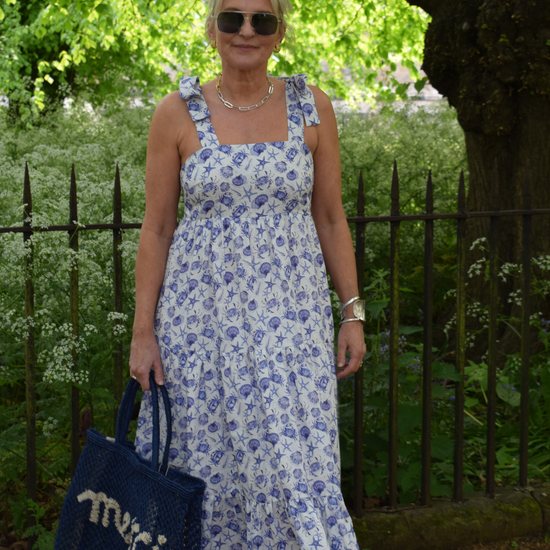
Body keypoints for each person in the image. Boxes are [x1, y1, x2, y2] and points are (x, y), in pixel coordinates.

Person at [129, 0, 366, 547]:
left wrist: (352, 313)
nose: (246, 30)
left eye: (262, 20)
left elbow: (330, 217)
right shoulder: (176, 112)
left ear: (280, 33)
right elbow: (158, 228)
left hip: (293, 325)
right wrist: (144, 332)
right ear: (212, 29)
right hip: (200, 326)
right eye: (232, 17)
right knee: (206, 462)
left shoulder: (313, 107)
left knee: (294, 460)